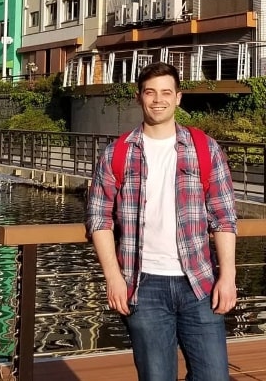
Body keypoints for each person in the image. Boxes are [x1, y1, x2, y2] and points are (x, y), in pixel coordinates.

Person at [86, 61, 237, 381]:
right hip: (143, 285)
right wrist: (113, 278)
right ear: (139, 97)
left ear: (178, 98)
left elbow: (223, 217)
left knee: (214, 376)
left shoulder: (204, 148)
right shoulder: (118, 152)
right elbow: (99, 217)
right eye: (150, 92)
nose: (158, 99)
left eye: (166, 92)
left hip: (199, 283)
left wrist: (228, 276)